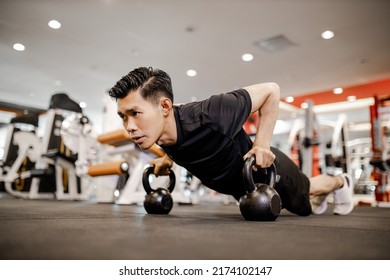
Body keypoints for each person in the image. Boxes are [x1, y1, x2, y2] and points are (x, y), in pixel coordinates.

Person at [108, 67, 354, 216]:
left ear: (164, 106)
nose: (129, 127)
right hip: (239, 188)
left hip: (264, 173)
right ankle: (322, 193)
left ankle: (340, 181)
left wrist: (262, 145)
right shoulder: (160, 133)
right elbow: (185, 144)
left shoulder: (212, 113)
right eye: (123, 117)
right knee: (307, 201)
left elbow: (271, 90)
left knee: (305, 204)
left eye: (135, 114)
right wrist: (166, 159)